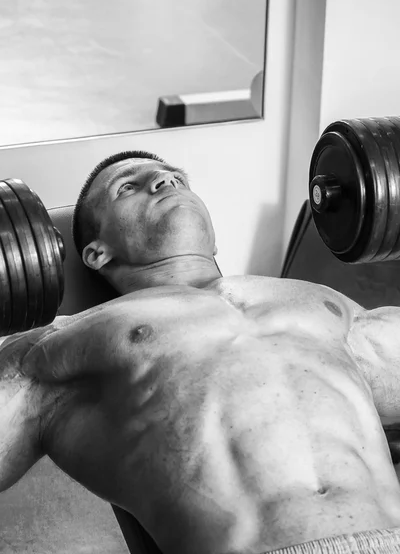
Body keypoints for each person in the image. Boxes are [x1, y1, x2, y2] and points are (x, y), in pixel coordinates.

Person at [1, 150, 400, 554]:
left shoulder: (328, 304)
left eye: (175, 178)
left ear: (213, 235)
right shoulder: (59, 343)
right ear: (96, 252)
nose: (163, 182)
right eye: (128, 187)